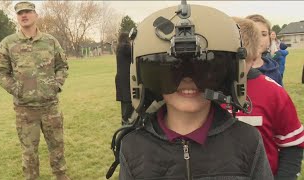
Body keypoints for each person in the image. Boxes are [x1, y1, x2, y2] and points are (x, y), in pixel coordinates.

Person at [106, 2, 273, 180]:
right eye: (172, 68)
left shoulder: (247, 141)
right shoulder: (133, 147)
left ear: (228, 72)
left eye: (203, 67)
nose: (187, 80)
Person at [0, 2, 70, 180]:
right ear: (17, 17)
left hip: (50, 107)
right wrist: (16, 89)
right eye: (20, 13)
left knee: (57, 149)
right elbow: (0, 72)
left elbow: (62, 66)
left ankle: (61, 177)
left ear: (36, 15)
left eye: (28, 11)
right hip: (25, 111)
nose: (24, 15)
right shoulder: (8, 43)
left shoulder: (50, 41)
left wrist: (56, 84)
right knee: (29, 154)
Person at [234, 17, 304, 179]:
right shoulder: (201, 92)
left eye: (240, 59)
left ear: (253, 57)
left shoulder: (273, 92)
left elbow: (292, 146)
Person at [246, 14, 283, 86]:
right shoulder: (234, 69)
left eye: (263, 34)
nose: (258, 38)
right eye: (253, 33)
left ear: (269, 38)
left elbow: (279, 96)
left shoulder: (274, 71)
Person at [115, 32, 134, 125]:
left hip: (121, 78)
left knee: (124, 102)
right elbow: (135, 52)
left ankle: (124, 121)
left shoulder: (119, 47)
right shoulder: (125, 47)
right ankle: (126, 122)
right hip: (126, 78)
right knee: (128, 101)